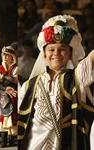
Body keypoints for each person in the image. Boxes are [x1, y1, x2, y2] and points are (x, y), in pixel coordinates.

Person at [18, 15, 94, 150]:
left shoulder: (76, 78)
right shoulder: (29, 86)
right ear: (44, 54)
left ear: (70, 54)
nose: (56, 53)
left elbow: (91, 60)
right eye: (51, 49)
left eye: (62, 49)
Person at [0, 45, 18, 147]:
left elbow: (16, 80)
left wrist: (4, 78)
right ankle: (4, 140)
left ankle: (12, 139)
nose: (5, 57)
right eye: (4, 55)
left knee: (13, 116)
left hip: (13, 94)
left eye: (7, 55)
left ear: (12, 57)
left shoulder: (16, 68)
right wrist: (7, 79)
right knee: (3, 116)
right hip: (3, 95)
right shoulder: (0, 68)